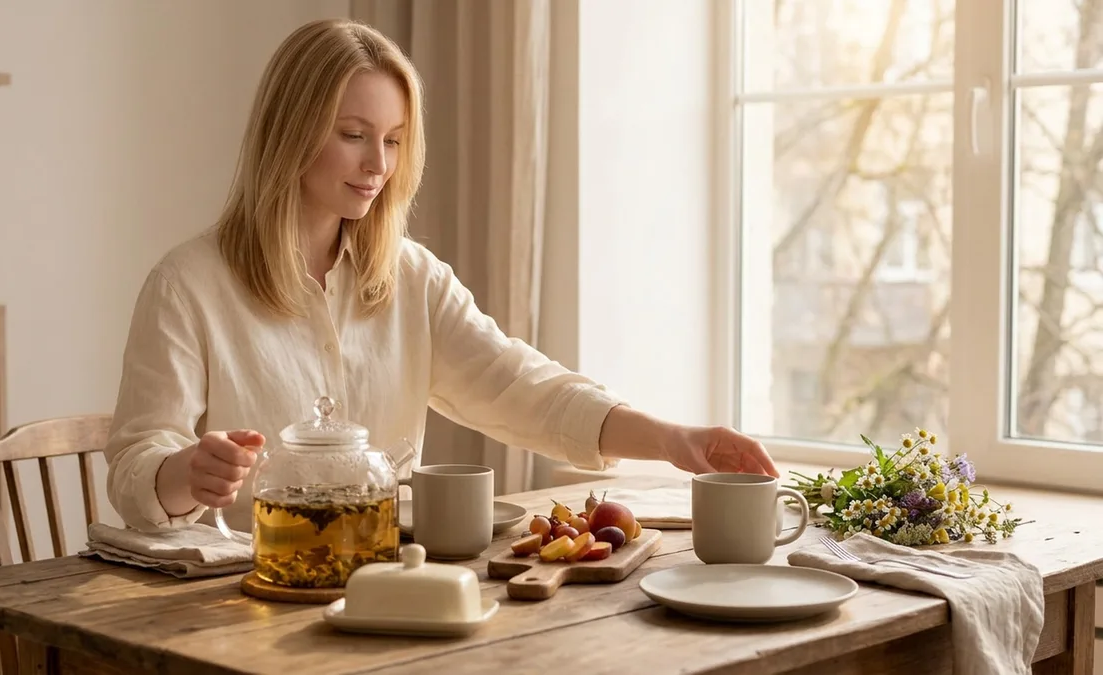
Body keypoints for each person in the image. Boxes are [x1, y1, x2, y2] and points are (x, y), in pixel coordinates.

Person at [104, 18, 778, 534]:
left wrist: (670, 439)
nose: (378, 163)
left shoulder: (411, 277)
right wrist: (190, 471)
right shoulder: (187, 285)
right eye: (353, 133)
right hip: (237, 605)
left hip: (389, 591)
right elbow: (135, 473)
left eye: (394, 139)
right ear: (290, 131)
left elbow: (521, 387)